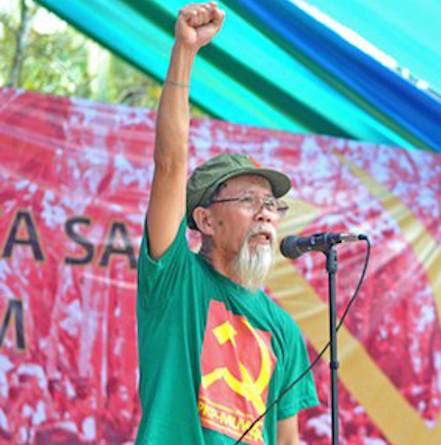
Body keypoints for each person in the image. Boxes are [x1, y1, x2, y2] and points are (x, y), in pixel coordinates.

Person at [135, 2, 319, 444]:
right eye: (250, 200)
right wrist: (185, 51)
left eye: (272, 205)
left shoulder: (284, 330)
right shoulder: (175, 280)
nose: (266, 213)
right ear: (205, 220)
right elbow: (169, 163)